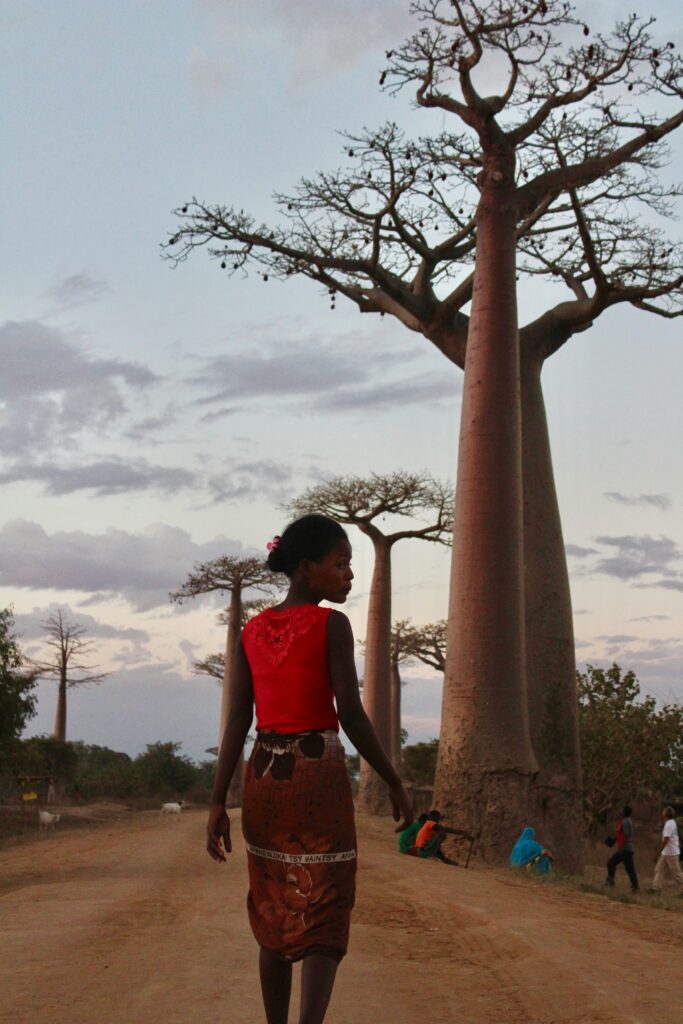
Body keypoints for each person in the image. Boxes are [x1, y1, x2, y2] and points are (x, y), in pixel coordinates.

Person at [206, 513, 413, 1024]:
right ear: (305, 569)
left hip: (263, 777)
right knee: (324, 901)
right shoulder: (330, 625)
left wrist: (216, 801)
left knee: (275, 901)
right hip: (315, 776)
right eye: (340, 564)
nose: (348, 576)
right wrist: (392, 780)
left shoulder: (253, 630)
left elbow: (237, 717)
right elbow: (351, 713)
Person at [650, 806, 683, 896]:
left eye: (664, 810)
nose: (662, 811)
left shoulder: (669, 824)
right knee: (659, 869)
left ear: (666, 814)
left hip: (671, 853)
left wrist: (657, 854)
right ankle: (656, 889)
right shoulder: (670, 822)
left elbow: (666, 840)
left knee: (676, 874)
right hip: (667, 852)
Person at [606, 805, 638, 893]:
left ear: (625, 812)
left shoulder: (626, 821)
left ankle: (610, 882)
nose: (620, 811)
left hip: (625, 849)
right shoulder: (625, 821)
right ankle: (634, 886)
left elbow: (625, 835)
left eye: (622, 809)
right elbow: (620, 834)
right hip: (626, 849)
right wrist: (613, 840)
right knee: (629, 868)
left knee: (611, 863)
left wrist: (620, 848)